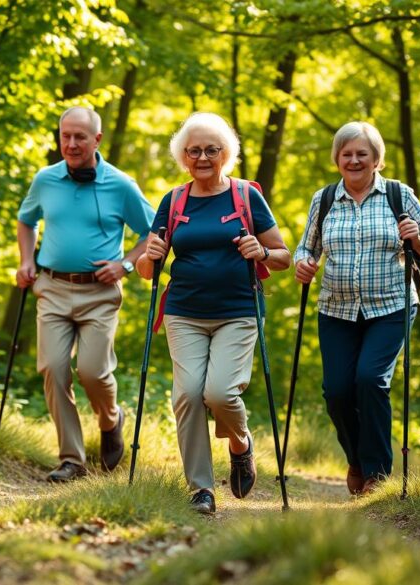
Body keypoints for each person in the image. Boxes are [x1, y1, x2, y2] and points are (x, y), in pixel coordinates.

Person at [136, 113, 290, 515]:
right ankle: (201, 489)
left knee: (219, 393)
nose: (203, 156)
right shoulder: (174, 200)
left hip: (237, 311)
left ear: (226, 154)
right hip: (184, 312)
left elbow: (284, 257)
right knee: (187, 396)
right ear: (183, 156)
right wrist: (148, 257)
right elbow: (147, 269)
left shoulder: (245, 196)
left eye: (211, 149)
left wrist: (262, 252)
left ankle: (241, 446)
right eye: (194, 150)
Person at [293, 121, 420, 496]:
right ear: (337, 159)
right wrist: (303, 263)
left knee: (370, 381)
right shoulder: (324, 199)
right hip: (337, 309)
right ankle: (357, 459)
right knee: (337, 391)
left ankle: (377, 473)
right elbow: (306, 248)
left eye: (362, 153)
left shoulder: (399, 195)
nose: (354, 160)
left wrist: (418, 239)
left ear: (376, 159)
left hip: (391, 307)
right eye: (347, 154)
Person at [16, 107, 155, 482]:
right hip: (53, 288)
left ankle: (111, 419)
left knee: (93, 372)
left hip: (100, 294)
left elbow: (154, 233)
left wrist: (125, 265)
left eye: (80, 136)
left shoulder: (121, 184)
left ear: (97, 139)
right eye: (66, 136)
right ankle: (71, 459)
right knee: (53, 369)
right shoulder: (45, 179)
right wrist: (26, 260)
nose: (72, 144)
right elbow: (26, 221)